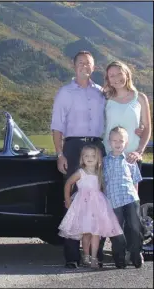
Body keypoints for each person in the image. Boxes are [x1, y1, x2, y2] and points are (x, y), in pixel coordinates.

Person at [51, 50, 107, 268]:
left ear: (94, 67)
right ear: (74, 66)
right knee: (73, 200)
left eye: (89, 63)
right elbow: (57, 126)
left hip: (98, 147)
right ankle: (72, 256)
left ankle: (95, 254)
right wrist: (60, 154)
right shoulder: (65, 92)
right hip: (73, 147)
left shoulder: (101, 92)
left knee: (98, 200)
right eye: (81, 62)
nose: (85, 65)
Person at [102, 60, 152, 264]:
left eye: (119, 74)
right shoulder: (106, 97)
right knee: (113, 209)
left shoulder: (140, 98)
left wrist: (139, 151)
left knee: (132, 209)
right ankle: (118, 252)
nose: (116, 78)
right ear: (108, 79)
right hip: (109, 160)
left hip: (130, 160)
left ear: (127, 74)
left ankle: (135, 250)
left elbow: (147, 128)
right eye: (111, 75)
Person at [58, 145, 123, 269]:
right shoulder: (80, 172)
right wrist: (67, 200)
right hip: (83, 205)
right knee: (86, 233)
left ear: (98, 159)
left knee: (96, 233)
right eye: (86, 156)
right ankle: (86, 257)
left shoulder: (100, 173)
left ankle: (94, 258)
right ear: (82, 158)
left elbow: (102, 188)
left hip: (97, 205)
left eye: (93, 156)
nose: (90, 158)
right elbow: (68, 183)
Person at [103, 126, 144, 269]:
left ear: (126, 143)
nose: (117, 143)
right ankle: (119, 257)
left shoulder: (130, 160)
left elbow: (135, 180)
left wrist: (136, 198)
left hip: (130, 198)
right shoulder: (104, 162)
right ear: (109, 142)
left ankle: (136, 253)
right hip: (114, 201)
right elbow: (103, 182)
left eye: (121, 140)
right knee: (117, 230)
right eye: (114, 140)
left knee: (134, 226)